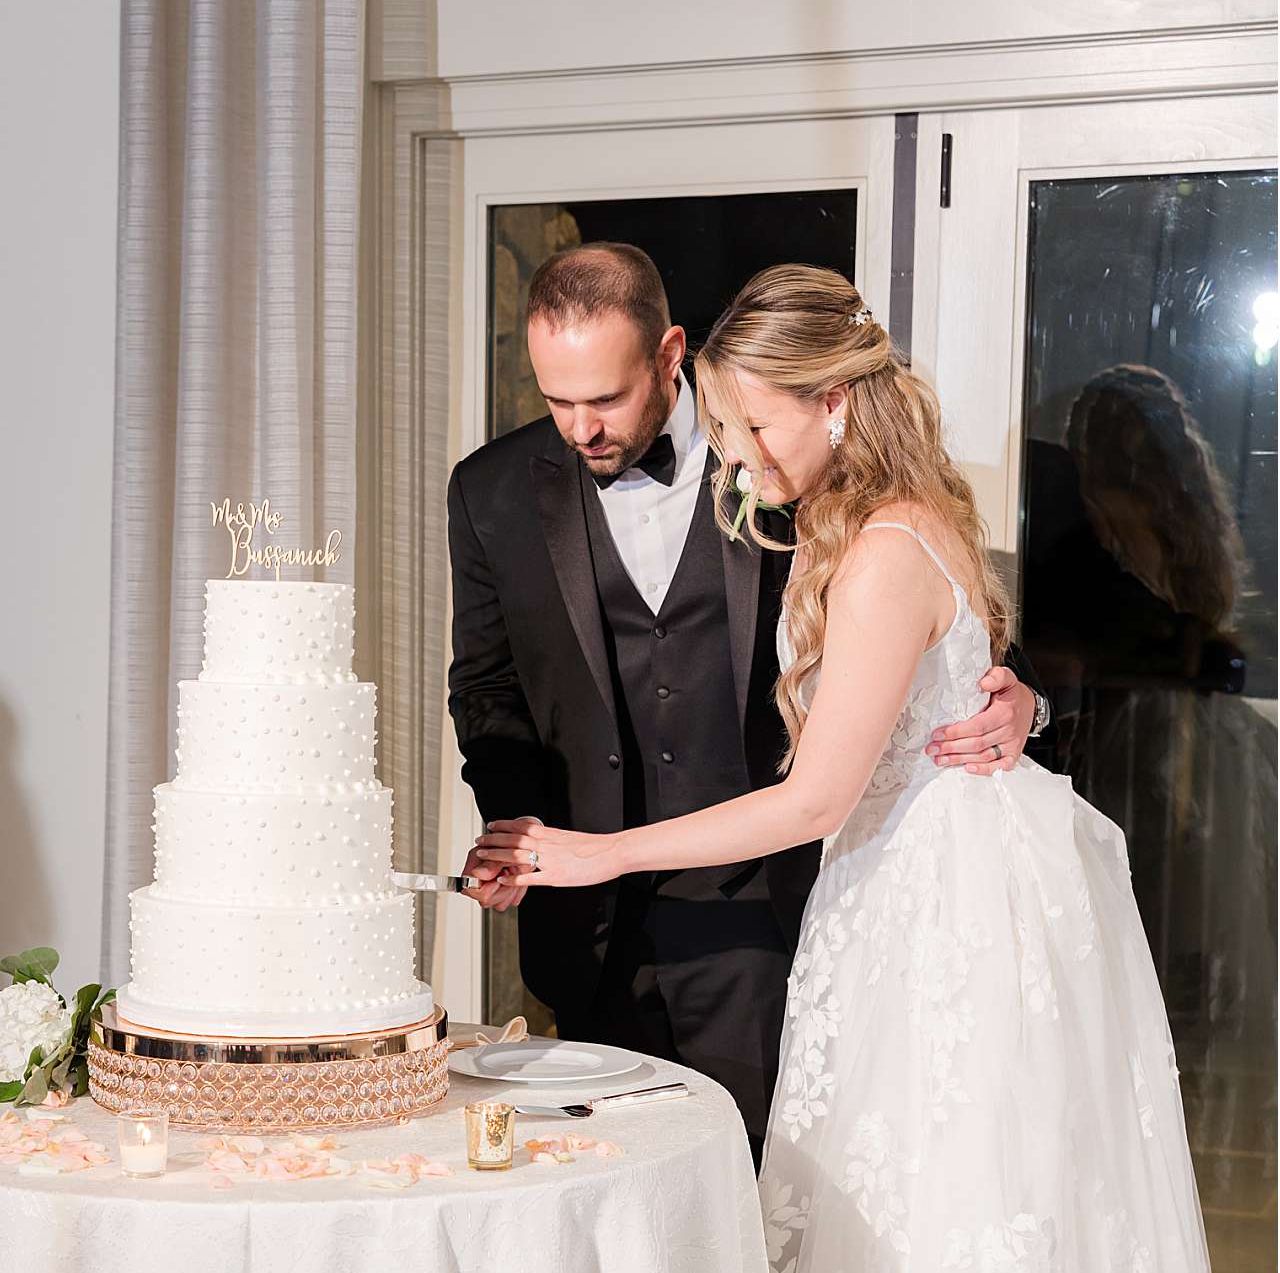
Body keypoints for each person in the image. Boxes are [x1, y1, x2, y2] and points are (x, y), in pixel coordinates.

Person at [473, 264, 1276, 1273]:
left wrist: (602, 850)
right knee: (896, 1235)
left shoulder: (889, 539)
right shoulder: (865, 516)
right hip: (900, 888)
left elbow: (821, 789)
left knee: (952, 1234)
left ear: (830, 400)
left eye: (750, 423)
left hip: (934, 908)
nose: (732, 455)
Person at [447, 243, 1050, 1156]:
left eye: (604, 399)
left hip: (774, 913)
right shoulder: (489, 490)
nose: (581, 430)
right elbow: (487, 686)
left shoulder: (804, 469)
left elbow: (951, 623)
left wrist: (1026, 700)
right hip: (593, 929)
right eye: (556, 400)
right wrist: (521, 834)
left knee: (777, 1196)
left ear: (668, 354)